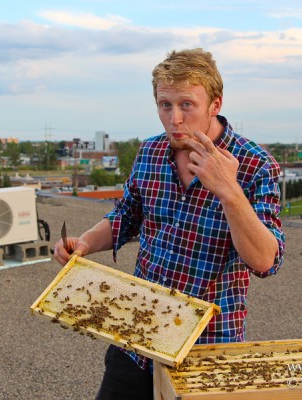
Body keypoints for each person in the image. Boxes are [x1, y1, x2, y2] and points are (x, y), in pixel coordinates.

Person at [53, 48, 285, 400]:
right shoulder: (149, 152)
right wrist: (85, 242)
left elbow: (267, 260)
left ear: (215, 104)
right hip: (137, 333)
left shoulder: (256, 165)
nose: (175, 119)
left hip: (206, 346)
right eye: (165, 105)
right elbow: (126, 215)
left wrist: (229, 191)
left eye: (187, 105)